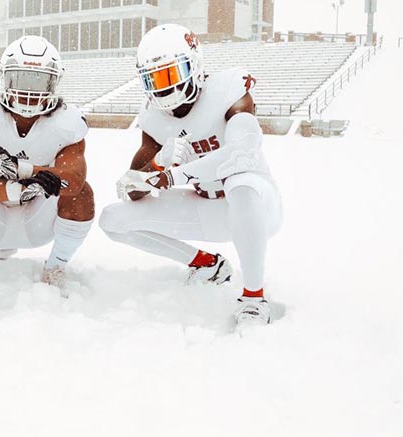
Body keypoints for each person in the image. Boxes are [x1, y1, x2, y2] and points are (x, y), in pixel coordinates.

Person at [98, 23, 282, 329]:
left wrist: (175, 176)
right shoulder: (154, 119)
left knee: (242, 183)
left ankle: (253, 298)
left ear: (193, 64)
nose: (162, 86)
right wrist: (157, 163)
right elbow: (130, 190)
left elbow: (241, 155)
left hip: (258, 208)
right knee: (112, 220)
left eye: (169, 74)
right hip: (206, 206)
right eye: (152, 78)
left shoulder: (228, 91)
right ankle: (206, 265)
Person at [0, 35, 94, 293]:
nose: (29, 91)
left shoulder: (67, 123)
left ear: (54, 82)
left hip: (38, 218)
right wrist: (20, 187)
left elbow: (74, 181)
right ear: (3, 77)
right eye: (20, 79)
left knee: (83, 195)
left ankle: (56, 267)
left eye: (39, 80)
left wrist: (19, 168)